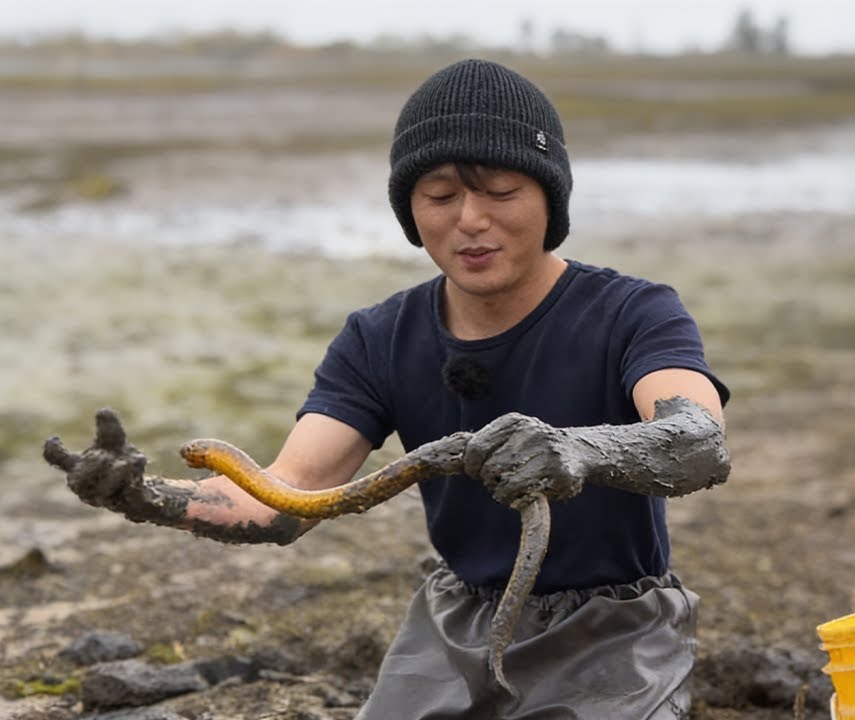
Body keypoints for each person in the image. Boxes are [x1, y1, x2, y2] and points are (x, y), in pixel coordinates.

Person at [43, 58, 730, 719]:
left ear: (550, 196)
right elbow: (286, 500)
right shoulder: (379, 338)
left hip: (614, 627)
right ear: (411, 210)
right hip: (454, 620)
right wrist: (147, 496)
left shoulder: (635, 312)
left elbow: (697, 442)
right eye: (439, 195)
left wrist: (578, 450)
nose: (469, 219)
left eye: (500, 191)